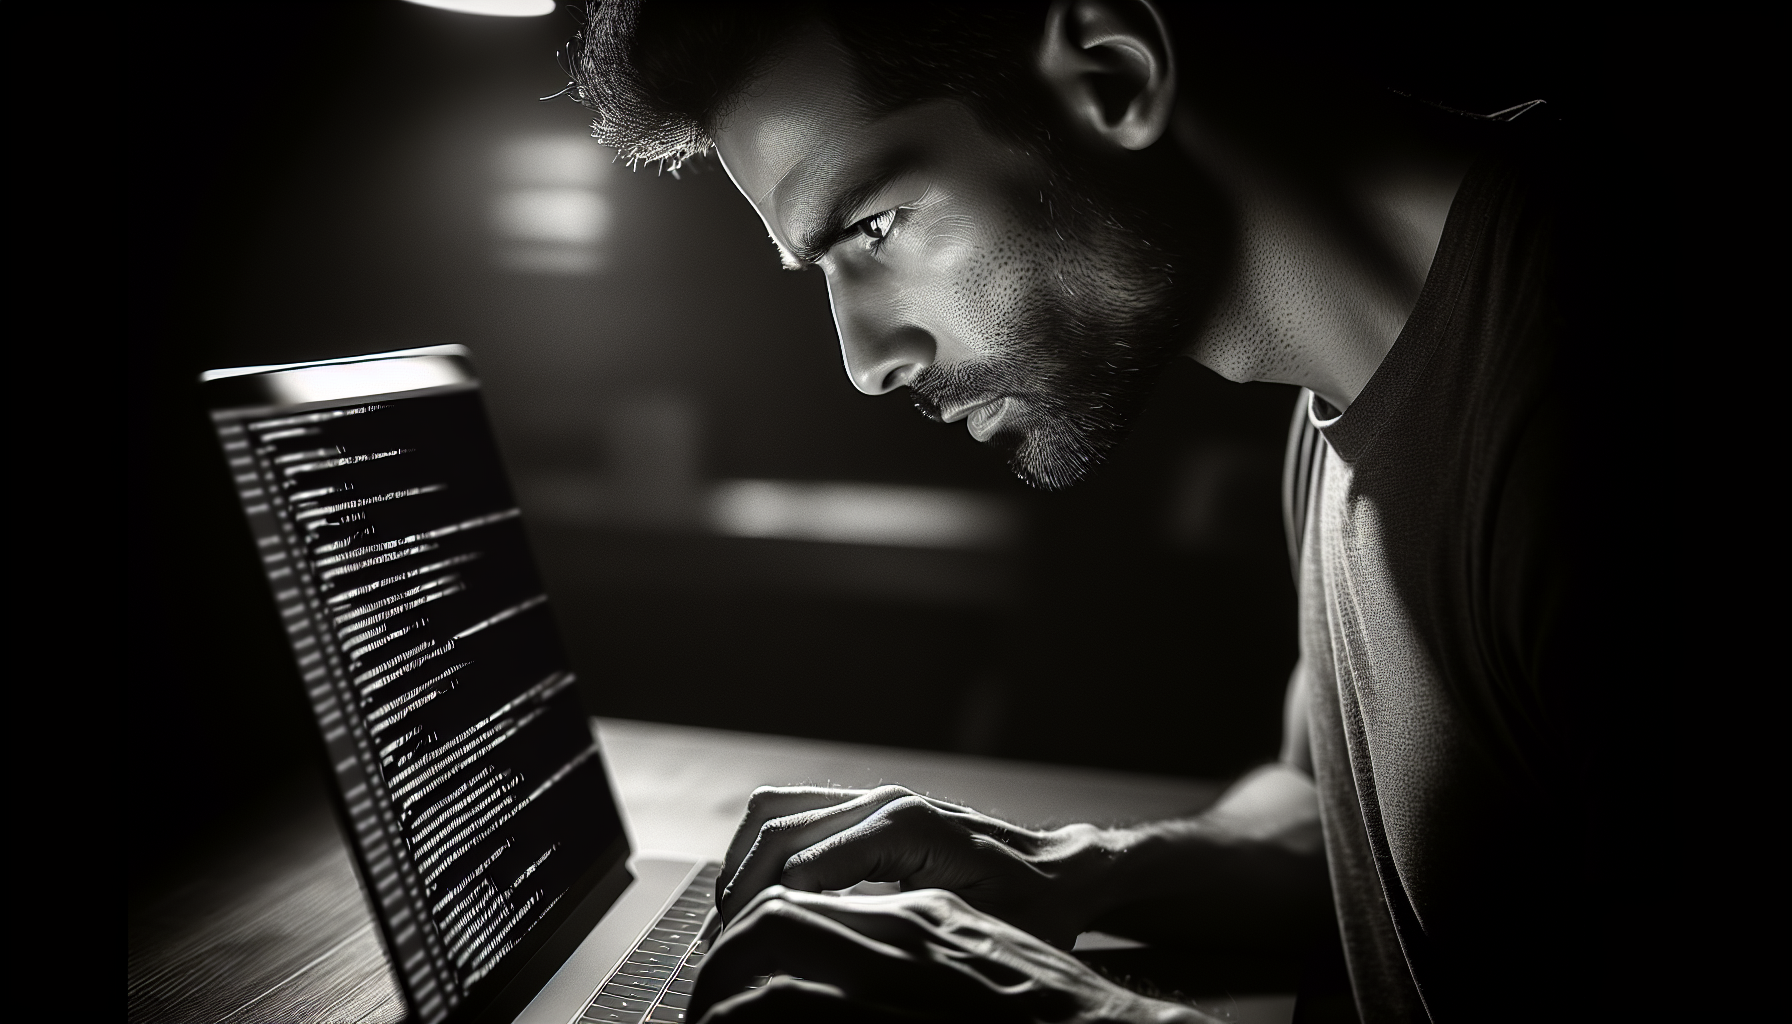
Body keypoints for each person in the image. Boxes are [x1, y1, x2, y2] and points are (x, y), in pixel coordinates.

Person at [560, 2, 1608, 1020]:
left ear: (1111, 74)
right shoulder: (1349, 376)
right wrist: (1074, 867)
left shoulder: (1594, 400)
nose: (865, 361)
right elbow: (1327, 818)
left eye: (873, 225)